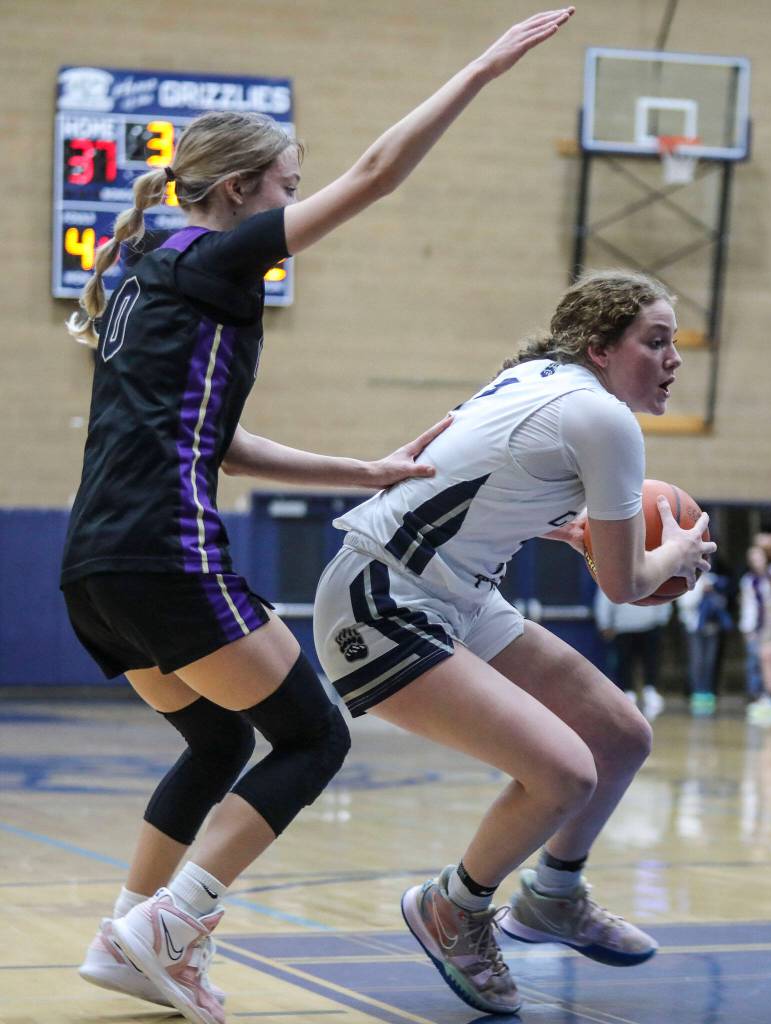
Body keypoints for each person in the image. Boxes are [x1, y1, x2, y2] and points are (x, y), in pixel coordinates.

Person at [60, 10, 577, 1023]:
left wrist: (365, 470)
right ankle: (169, 928)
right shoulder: (214, 259)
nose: (294, 203)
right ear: (240, 191)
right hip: (164, 554)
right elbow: (378, 174)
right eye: (287, 187)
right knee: (312, 738)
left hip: (94, 569)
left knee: (218, 744)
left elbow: (220, 442)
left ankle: (128, 931)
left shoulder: (143, 269)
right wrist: (479, 67)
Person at [313, 269, 715, 1016]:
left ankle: (553, 896)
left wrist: (550, 522)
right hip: (382, 601)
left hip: (456, 591)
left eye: (674, 343)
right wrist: (678, 555)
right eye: (655, 341)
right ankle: (453, 906)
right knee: (564, 774)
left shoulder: (538, 380)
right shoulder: (604, 418)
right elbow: (626, 584)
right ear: (599, 349)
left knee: (619, 736)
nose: (673, 359)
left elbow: (478, 475)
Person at [593, 590, 670, 719]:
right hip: (623, 627)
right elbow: (605, 595)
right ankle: (628, 692)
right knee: (624, 663)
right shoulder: (613, 577)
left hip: (650, 625)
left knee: (651, 661)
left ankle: (650, 691)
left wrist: (662, 619)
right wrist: (605, 624)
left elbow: (664, 593)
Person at [676, 564, 733, 716]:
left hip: (712, 628)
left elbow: (722, 602)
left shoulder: (714, 580)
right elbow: (685, 604)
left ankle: (708, 692)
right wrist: (701, 590)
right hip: (694, 628)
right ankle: (697, 692)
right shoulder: (686, 580)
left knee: (709, 661)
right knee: (697, 660)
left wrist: (713, 591)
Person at [740, 545, 771, 724]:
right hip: (760, 626)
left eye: (758, 557)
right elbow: (748, 606)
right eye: (752, 558)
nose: (756, 561)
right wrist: (748, 629)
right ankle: (767, 697)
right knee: (762, 657)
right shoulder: (749, 580)